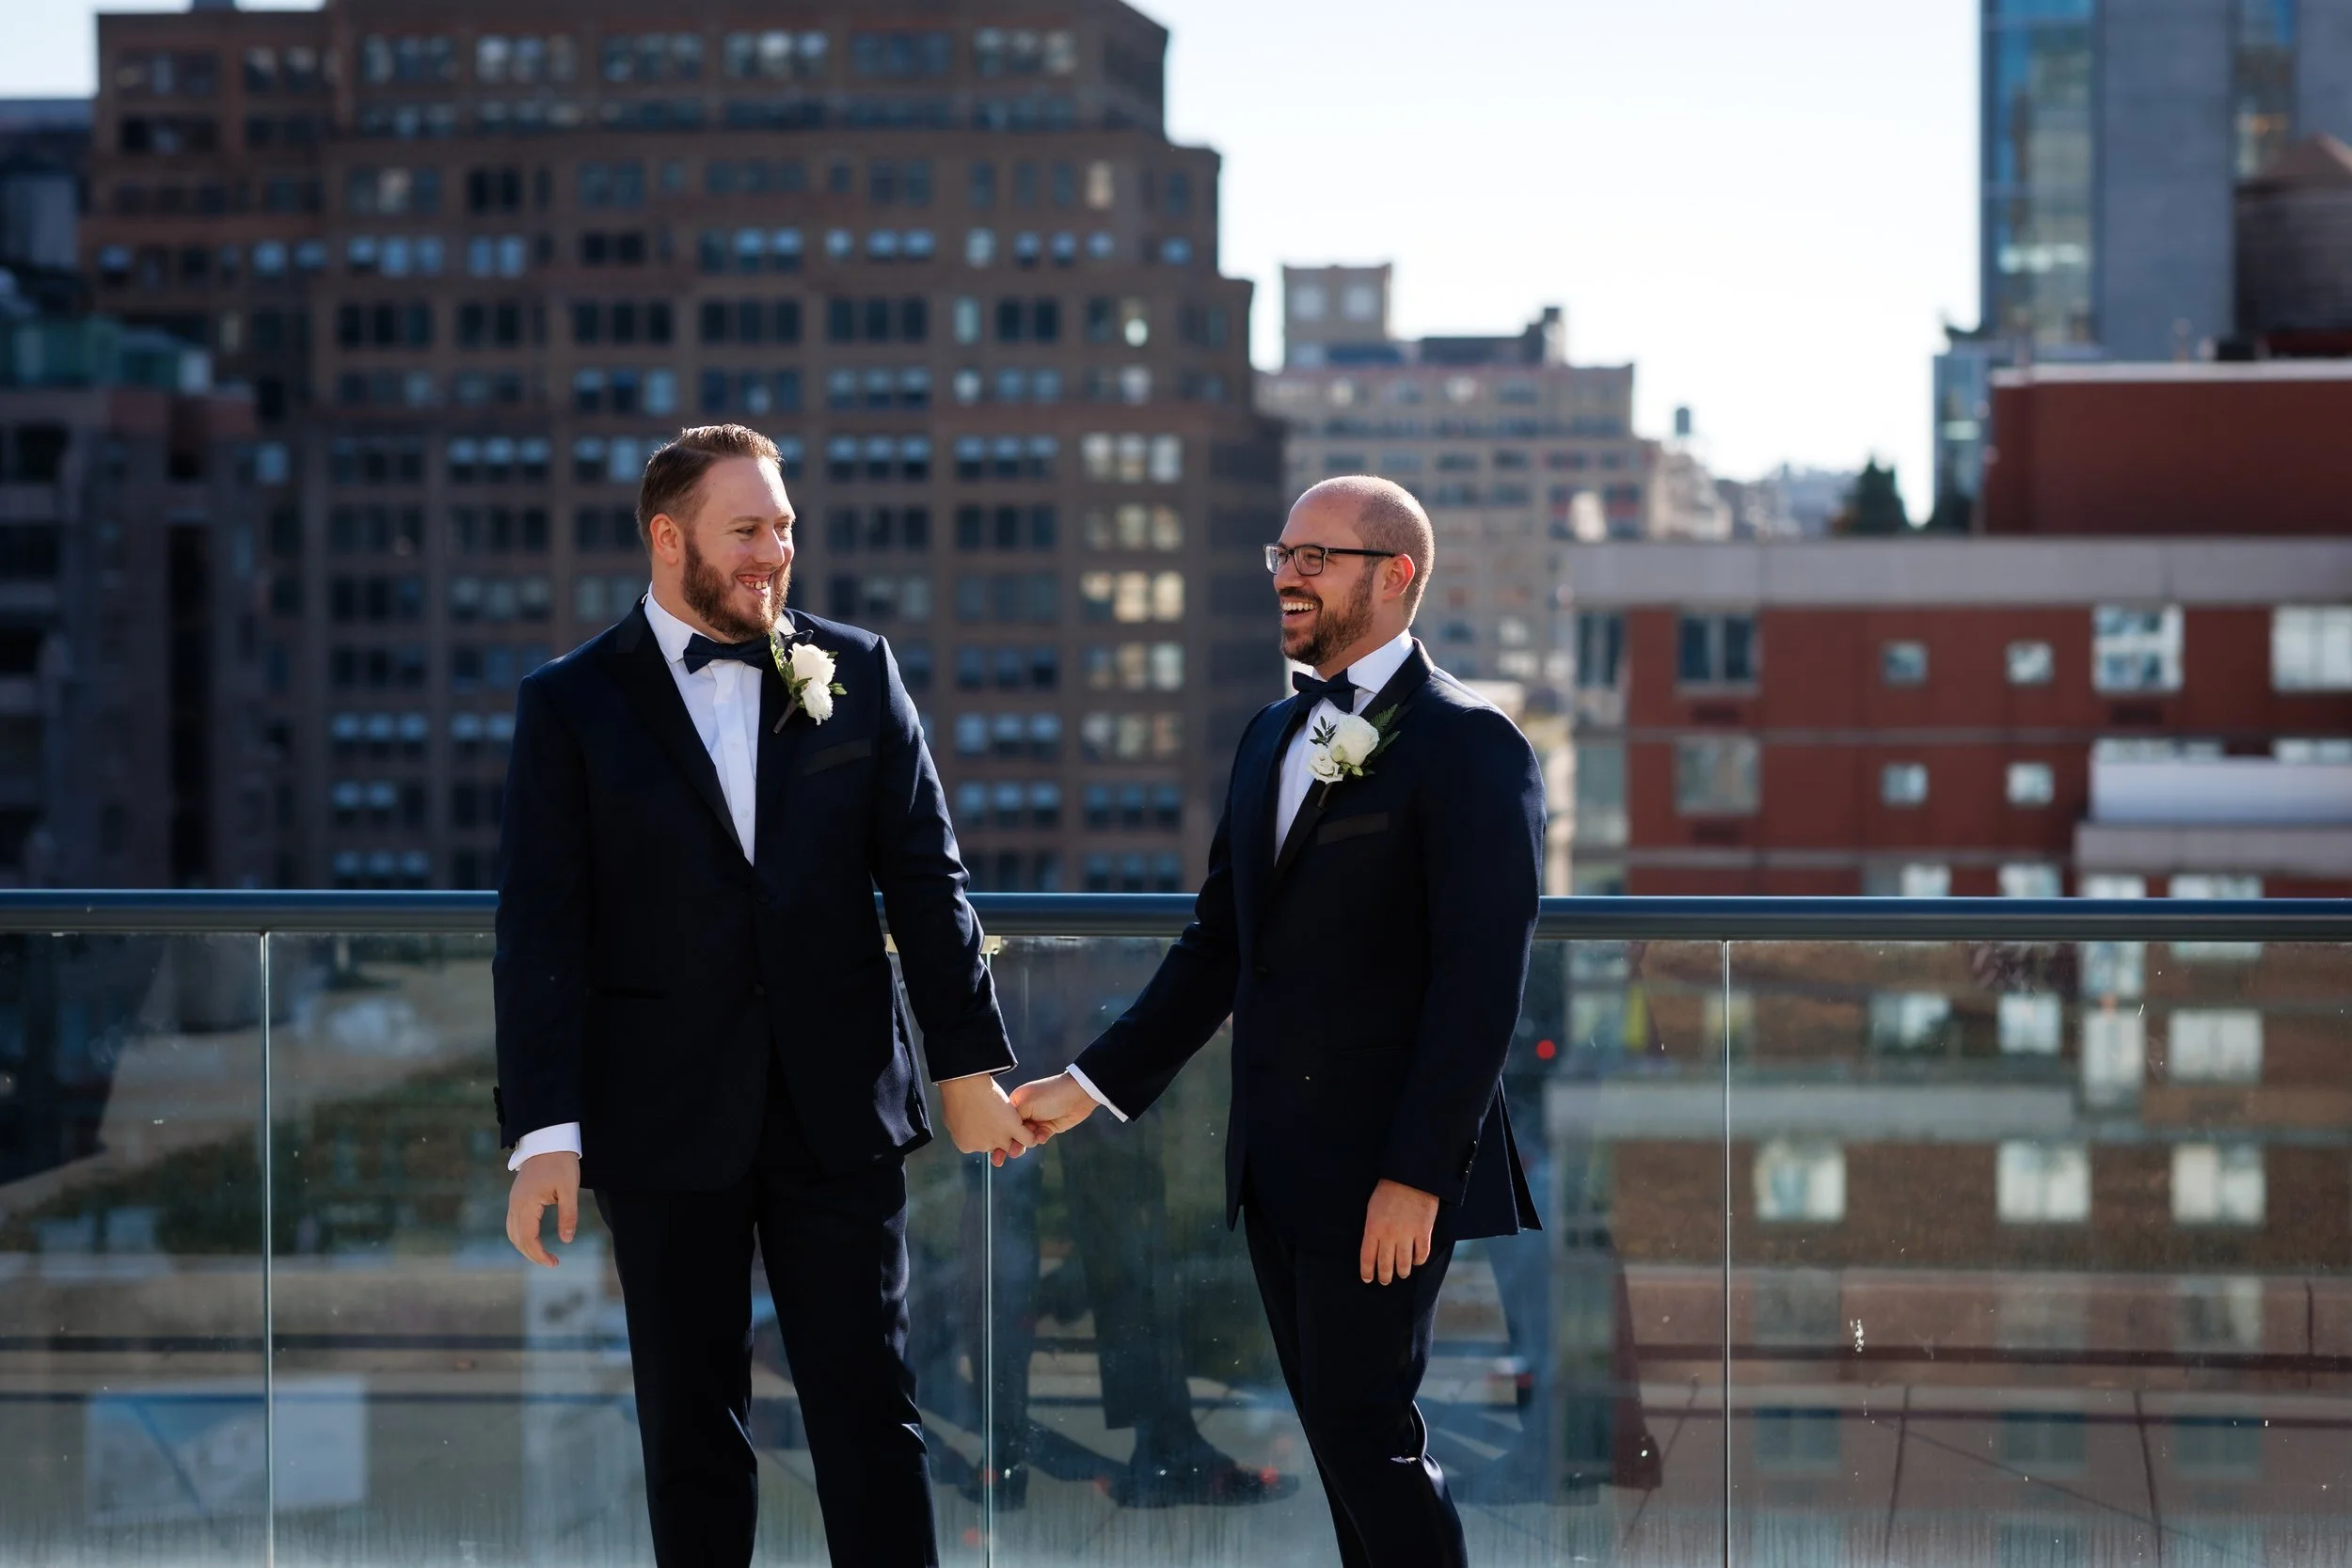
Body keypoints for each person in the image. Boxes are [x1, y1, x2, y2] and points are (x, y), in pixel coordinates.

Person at [491, 423, 1035, 1568]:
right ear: (667, 536)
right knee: (691, 1430)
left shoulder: (863, 666)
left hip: (838, 1111)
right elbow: (541, 929)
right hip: (658, 1119)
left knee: (874, 1419)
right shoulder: (569, 704)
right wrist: (546, 1130)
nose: (773, 552)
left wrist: (969, 1065)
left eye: (783, 527)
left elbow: (930, 883)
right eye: (747, 529)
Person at [1013, 475, 1545, 1568]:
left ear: (1395, 577)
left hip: (1387, 1172)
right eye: (1283, 554)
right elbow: (1220, 944)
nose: (1287, 577)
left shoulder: (1470, 742)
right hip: (1277, 1163)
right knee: (1341, 1437)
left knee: (1367, 1434)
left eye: (1317, 556)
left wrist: (1418, 1172)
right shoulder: (1268, 734)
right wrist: (1087, 1086)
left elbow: (1480, 981)